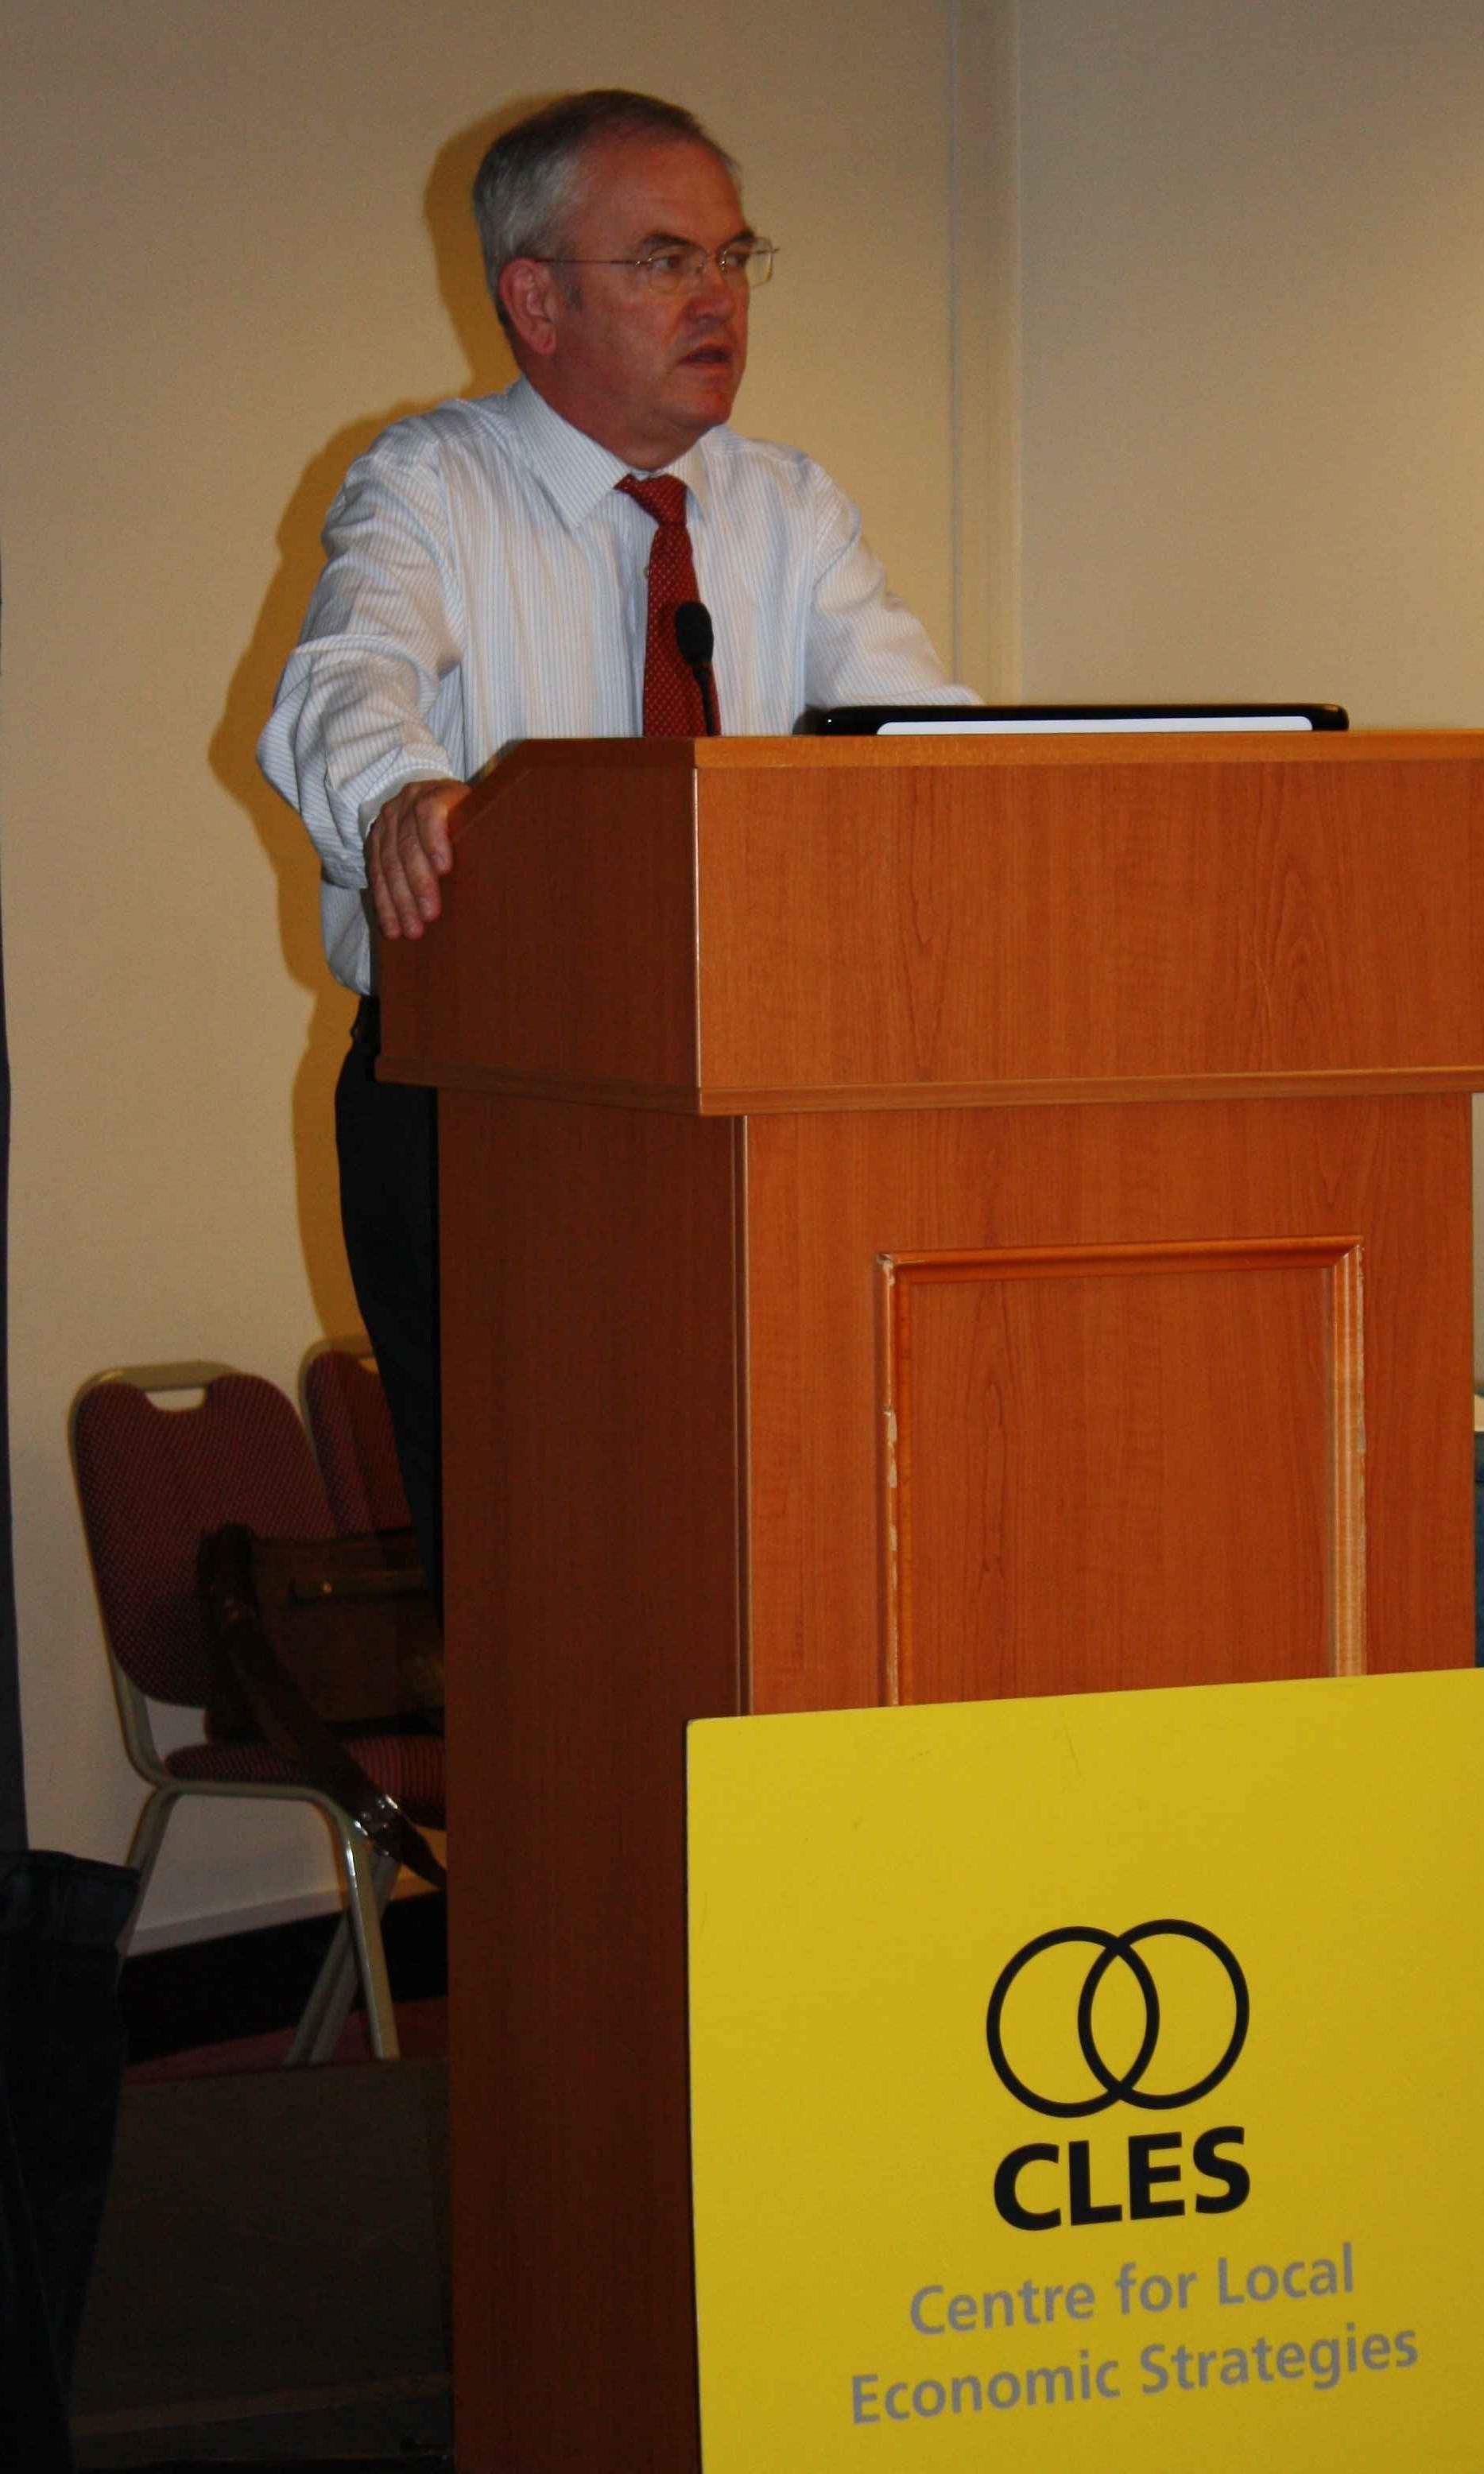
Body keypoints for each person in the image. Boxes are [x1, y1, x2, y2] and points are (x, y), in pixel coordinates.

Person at [258, 89, 974, 1595]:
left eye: (731, 256)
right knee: (538, 1561)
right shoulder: (431, 483)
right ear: (535, 301)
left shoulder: (785, 508)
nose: (716, 298)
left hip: (759, 1096)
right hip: (488, 1100)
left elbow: (928, 753)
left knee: (759, 1538)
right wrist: (398, 795)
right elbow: (348, 677)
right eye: (662, 261)